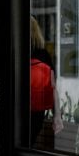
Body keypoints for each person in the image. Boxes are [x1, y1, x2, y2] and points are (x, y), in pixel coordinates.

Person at [29, 16, 62, 146]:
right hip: (37, 111)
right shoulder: (43, 54)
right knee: (29, 143)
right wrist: (57, 115)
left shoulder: (13, 51)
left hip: (15, 108)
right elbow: (53, 87)